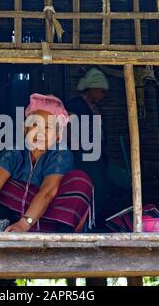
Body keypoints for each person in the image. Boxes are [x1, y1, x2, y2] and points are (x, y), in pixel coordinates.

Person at [0, 93, 94, 233]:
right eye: (35, 125)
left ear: (57, 136)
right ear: (25, 129)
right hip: (15, 214)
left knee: (80, 180)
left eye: (47, 128)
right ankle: (3, 225)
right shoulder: (16, 151)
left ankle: (58, 232)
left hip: (47, 214)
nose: (40, 133)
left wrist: (24, 224)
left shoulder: (61, 154)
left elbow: (48, 191)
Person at [66, 67, 111, 230]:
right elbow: (69, 132)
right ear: (91, 88)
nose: (102, 96)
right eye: (100, 91)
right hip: (82, 157)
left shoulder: (94, 107)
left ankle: (95, 224)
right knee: (91, 189)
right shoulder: (75, 106)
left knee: (102, 189)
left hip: (96, 156)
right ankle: (85, 225)